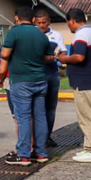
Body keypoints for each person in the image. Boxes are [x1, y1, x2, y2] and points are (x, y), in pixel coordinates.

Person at [0, 6, 53, 166]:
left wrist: (1, 75)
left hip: (21, 81)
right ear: (34, 19)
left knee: (23, 117)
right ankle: (40, 153)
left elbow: (5, 55)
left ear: (17, 18)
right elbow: (45, 57)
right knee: (40, 117)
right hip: (41, 80)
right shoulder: (42, 35)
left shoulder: (14, 32)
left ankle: (23, 155)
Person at [58, 7, 91, 163]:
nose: (69, 26)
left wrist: (64, 58)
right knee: (89, 116)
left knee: (88, 117)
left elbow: (79, 57)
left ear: (72, 20)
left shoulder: (81, 34)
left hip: (85, 83)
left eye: (68, 23)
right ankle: (89, 148)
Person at [35, 8, 67, 147]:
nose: (42, 25)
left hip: (52, 74)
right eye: (39, 22)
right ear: (34, 22)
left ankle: (47, 136)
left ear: (49, 21)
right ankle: (37, 138)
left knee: (51, 107)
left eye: (44, 22)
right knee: (38, 107)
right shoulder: (33, 35)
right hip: (37, 75)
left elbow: (63, 53)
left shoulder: (57, 35)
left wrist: (55, 57)